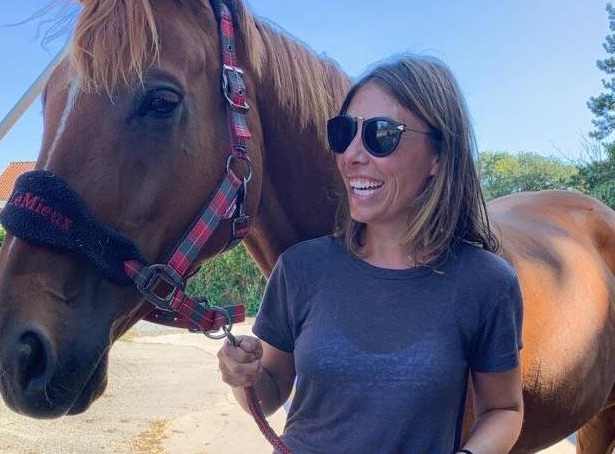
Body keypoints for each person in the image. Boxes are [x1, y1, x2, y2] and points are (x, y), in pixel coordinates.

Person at [217, 55, 524, 454]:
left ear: (438, 156)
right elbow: (269, 394)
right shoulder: (299, 268)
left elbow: (503, 409)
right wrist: (244, 375)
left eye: (381, 135)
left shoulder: (487, 283)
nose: (352, 155)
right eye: (344, 133)